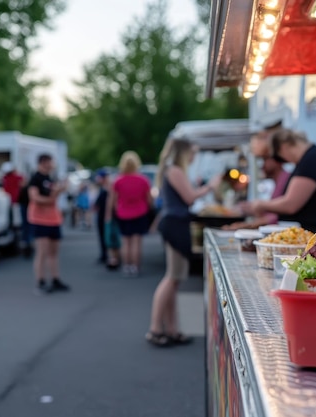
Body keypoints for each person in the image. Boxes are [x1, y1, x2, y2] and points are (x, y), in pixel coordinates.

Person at [146, 139, 221, 347]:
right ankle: (155, 328)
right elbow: (189, 198)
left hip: (175, 223)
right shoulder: (175, 170)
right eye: (192, 152)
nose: (193, 157)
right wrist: (210, 186)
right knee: (172, 277)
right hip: (176, 224)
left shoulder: (172, 169)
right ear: (184, 152)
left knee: (175, 278)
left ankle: (171, 328)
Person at [240, 128, 316, 232]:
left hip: (311, 234)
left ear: (283, 147)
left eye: (279, 158)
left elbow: (290, 204)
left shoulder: (313, 159)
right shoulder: (308, 160)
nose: (284, 162)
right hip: (304, 234)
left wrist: (261, 204)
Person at [224, 130, 291, 230]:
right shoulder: (278, 182)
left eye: (264, 159)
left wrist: (247, 226)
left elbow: (279, 216)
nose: (261, 165)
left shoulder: (286, 180)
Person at [28, 154, 70, 294]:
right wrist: (53, 196)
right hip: (40, 220)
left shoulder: (50, 178)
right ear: (44, 162)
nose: (52, 165)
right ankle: (40, 281)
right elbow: (35, 198)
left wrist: (60, 190)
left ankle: (55, 279)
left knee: (54, 252)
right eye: (50, 162)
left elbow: (53, 195)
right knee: (42, 252)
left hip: (53, 219)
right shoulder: (35, 178)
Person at [106, 151, 152, 276]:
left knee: (126, 241)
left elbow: (113, 200)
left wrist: (111, 213)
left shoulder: (118, 180)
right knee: (137, 242)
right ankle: (135, 267)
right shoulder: (143, 180)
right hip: (140, 212)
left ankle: (127, 266)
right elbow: (149, 199)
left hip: (123, 213)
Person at [93, 169, 109, 264]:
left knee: (105, 235)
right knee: (103, 235)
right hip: (102, 214)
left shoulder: (106, 188)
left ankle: (106, 255)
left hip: (104, 215)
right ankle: (104, 254)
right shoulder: (102, 188)